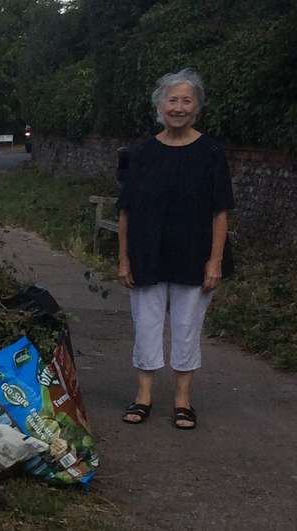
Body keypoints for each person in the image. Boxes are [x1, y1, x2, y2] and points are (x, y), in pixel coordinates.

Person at [117, 68, 234, 430]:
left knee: (186, 327)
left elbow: (220, 211)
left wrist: (215, 260)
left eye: (186, 100)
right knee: (146, 326)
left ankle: (183, 400)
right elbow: (125, 210)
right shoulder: (140, 153)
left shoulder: (211, 152)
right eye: (172, 100)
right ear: (160, 106)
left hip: (194, 256)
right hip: (147, 254)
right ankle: (143, 396)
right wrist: (123, 259)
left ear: (196, 107)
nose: (179, 107)